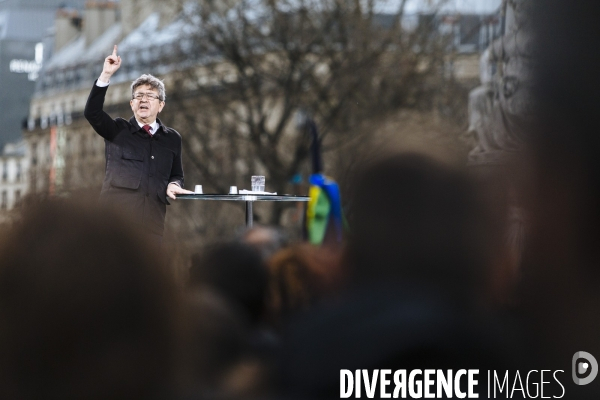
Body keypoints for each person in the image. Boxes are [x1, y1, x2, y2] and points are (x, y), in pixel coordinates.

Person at [84, 45, 192, 240]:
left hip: (152, 228)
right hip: (115, 227)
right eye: (139, 96)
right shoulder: (118, 130)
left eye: (150, 96)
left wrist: (173, 185)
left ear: (161, 105)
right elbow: (92, 113)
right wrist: (105, 75)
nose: (144, 99)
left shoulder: (172, 139)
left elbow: (177, 174)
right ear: (132, 104)